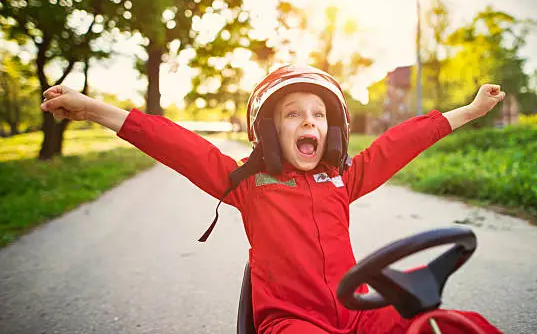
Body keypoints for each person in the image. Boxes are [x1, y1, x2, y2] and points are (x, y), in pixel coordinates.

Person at [41, 65, 505, 334]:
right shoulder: (249, 184)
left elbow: (401, 141)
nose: (310, 123)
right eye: (294, 114)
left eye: (319, 115)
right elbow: (178, 144)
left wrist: (469, 110)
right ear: (269, 131)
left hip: (356, 310)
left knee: (456, 323)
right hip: (291, 322)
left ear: (333, 131)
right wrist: (92, 110)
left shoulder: (344, 177)